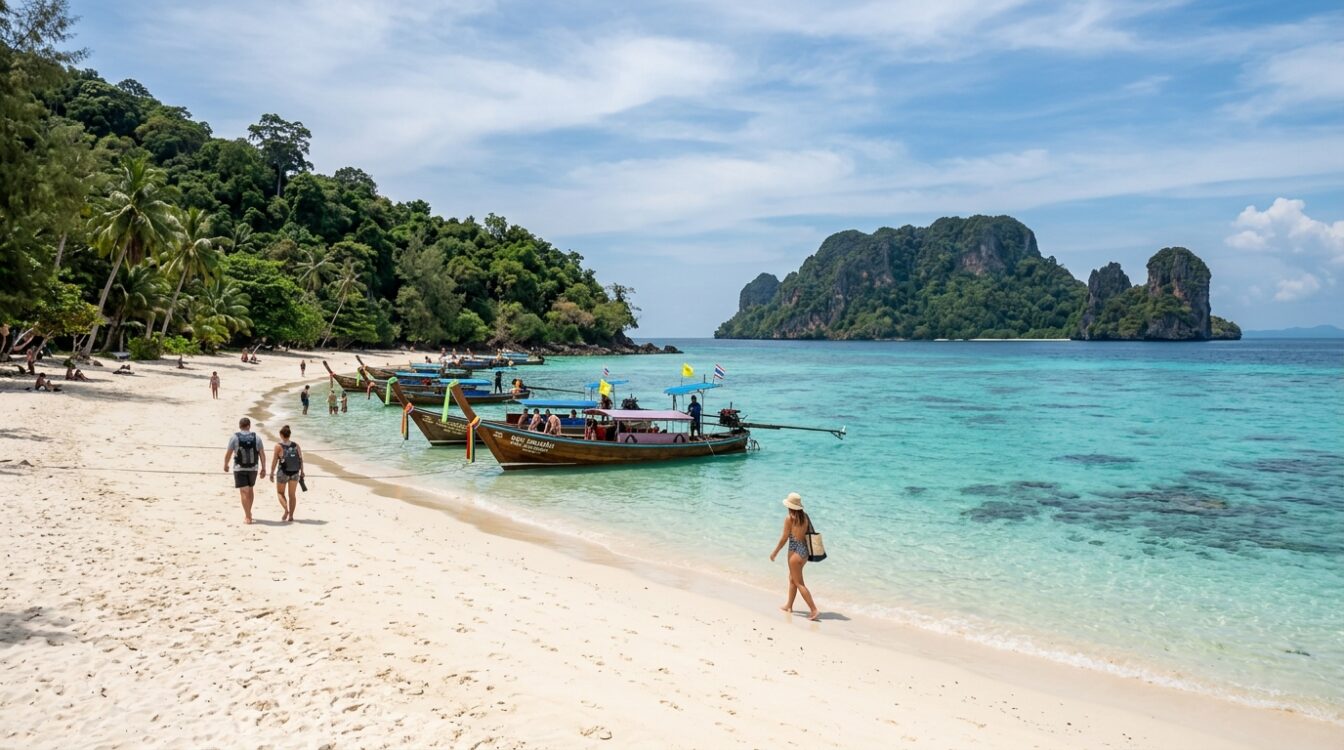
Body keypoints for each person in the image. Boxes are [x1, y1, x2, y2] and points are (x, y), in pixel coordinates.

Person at [769, 492, 820, 621]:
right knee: (792, 579)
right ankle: (789, 605)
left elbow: (784, 539)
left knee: (799, 583)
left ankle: (813, 609)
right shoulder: (805, 517)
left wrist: (775, 552)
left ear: (789, 506)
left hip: (795, 554)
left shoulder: (789, 518)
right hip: (804, 553)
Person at [224, 417, 265, 524]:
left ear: (240, 426)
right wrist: (264, 468)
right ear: (249, 426)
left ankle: (247, 516)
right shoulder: (257, 437)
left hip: (239, 468)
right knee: (250, 490)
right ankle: (249, 512)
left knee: (243, 491)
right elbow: (262, 453)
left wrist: (226, 464)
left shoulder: (234, 437)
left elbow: (229, 453)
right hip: (253, 468)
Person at [270, 424, 304, 522]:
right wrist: (302, 472)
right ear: (289, 435)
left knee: (280, 493)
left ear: (281, 435)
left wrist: (271, 472)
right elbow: (301, 460)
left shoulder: (278, 446)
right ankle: (291, 516)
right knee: (292, 495)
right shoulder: (296, 445)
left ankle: (286, 510)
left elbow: (274, 460)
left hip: (283, 472)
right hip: (295, 472)